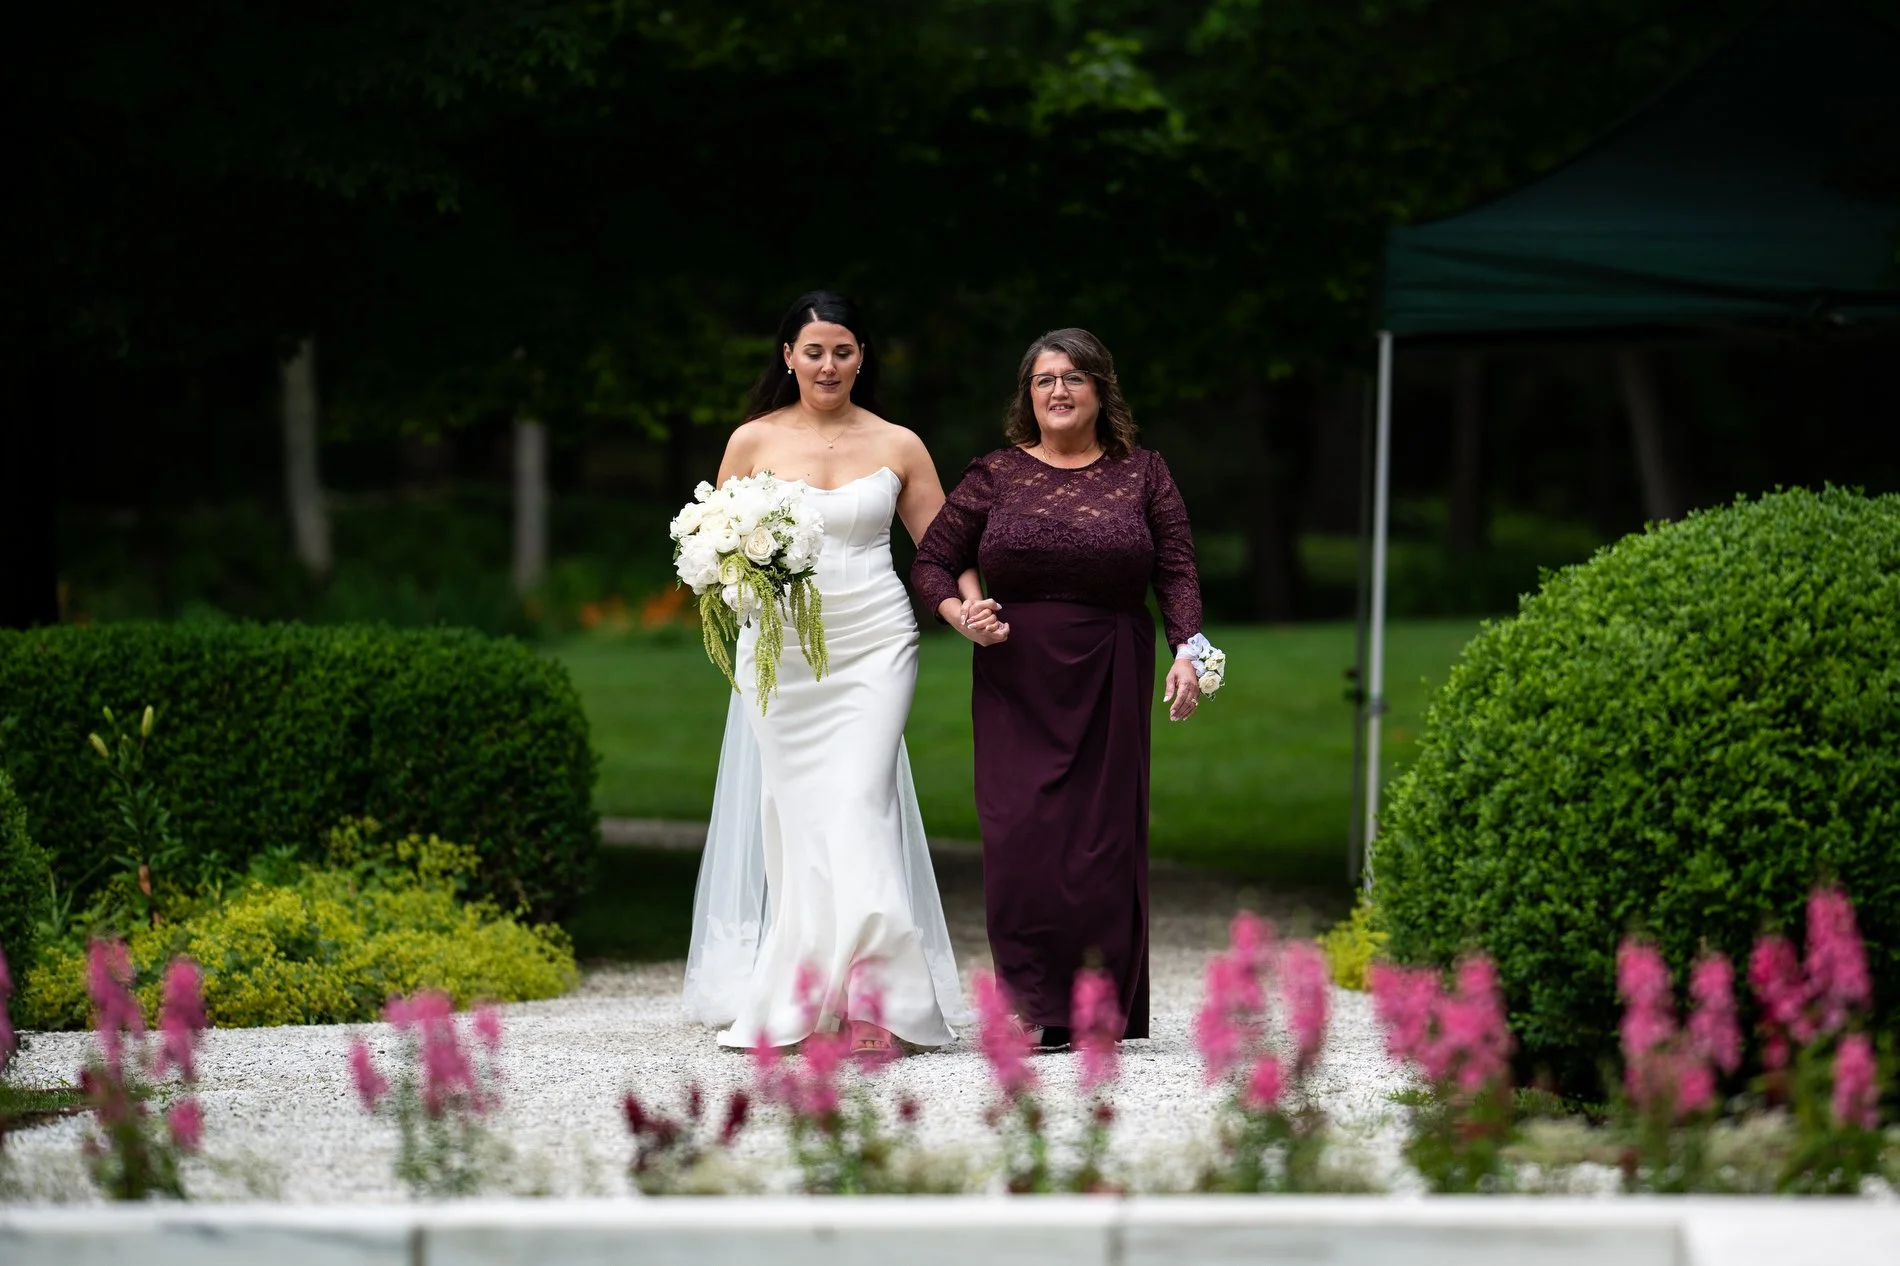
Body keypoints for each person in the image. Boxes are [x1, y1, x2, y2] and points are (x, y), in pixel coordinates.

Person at [682, 291, 975, 1058]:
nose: (828, 365)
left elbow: (942, 552)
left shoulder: (899, 445)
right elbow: (715, 552)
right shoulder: (751, 441)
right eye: (813, 351)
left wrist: (966, 611)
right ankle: (813, 992)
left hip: (876, 641)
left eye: (843, 351)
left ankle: (882, 999)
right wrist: (735, 584)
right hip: (779, 654)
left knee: (857, 803)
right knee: (800, 822)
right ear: (788, 357)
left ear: (861, 358)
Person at [911, 327, 1205, 1049]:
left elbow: (1176, 571)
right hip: (1016, 672)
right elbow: (931, 561)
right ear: (1028, 395)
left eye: (1074, 377)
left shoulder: (1144, 473)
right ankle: (1036, 1001)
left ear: (1101, 390)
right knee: (1020, 837)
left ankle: (1094, 1004)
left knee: (1101, 842)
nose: (1060, 391)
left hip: (1111, 663)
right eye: (1045, 380)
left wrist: (1189, 652)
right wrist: (961, 615)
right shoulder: (996, 474)